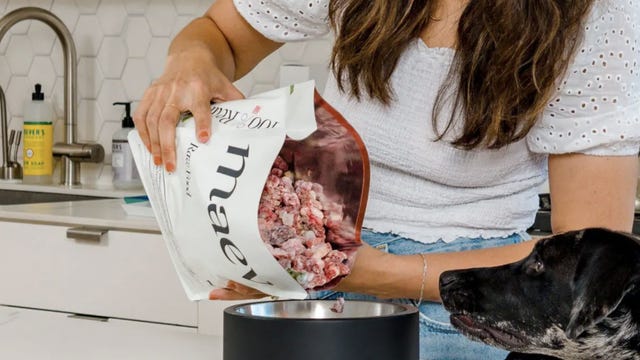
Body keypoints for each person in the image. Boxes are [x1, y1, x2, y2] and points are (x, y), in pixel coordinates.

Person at [133, 0, 640, 358]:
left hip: (468, 306)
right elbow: (217, 33)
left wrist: (357, 270)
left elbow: (585, 262)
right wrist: (190, 62)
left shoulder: (597, 15)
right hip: (321, 286)